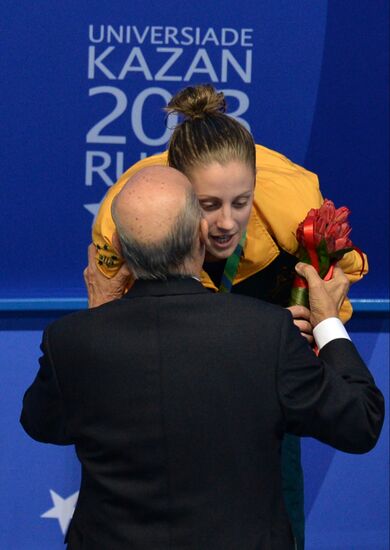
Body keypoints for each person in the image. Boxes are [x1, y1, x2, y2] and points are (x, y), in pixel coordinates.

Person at [21, 166, 383, 550]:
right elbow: (360, 423)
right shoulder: (267, 333)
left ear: (122, 251)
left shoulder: (70, 340)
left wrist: (99, 316)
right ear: (200, 236)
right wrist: (327, 320)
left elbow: (43, 425)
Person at [90, 84, 368, 548]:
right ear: (178, 196)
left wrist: (316, 324)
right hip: (170, 360)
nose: (226, 223)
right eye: (208, 205)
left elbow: (340, 271)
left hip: (261, 347)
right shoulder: (129, 214)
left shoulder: (292, 203)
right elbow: (102, 318)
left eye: (240, 202)